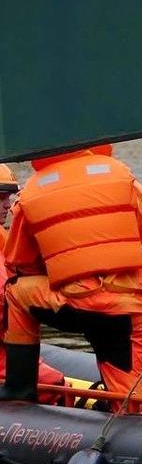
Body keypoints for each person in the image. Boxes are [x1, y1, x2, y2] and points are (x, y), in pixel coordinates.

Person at [0, 146, 142, 401]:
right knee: (129, 398)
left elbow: (20, 263)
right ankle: (135, 423)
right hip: (129, 307)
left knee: (15, 291)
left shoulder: (32, 192)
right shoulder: (120, 176)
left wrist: (63, 258)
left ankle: (20, 389)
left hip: (77, 302)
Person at [0, 165, 65, 401]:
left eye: (9, 197)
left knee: (53, 380)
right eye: (0, 197)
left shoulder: (5, 242)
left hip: (7, 348)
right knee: (52, 385)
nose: (8, 205)